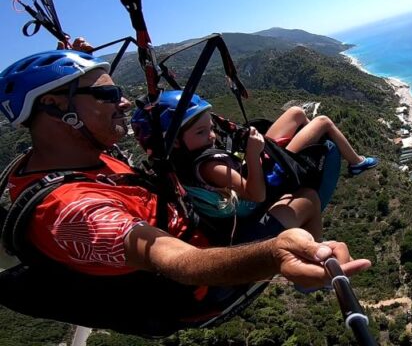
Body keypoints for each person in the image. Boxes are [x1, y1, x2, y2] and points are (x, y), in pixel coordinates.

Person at [0, 50, 371, 336]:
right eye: (108, 94)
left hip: (201, 231)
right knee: (306, 196)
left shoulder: (75, 156)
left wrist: (78, 57)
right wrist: (274, 255)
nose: (124, 102)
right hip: (201, 290)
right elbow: (179, 262)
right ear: (55, 107)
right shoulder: (75, 211)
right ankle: (310, 276)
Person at [130, 91, 378, 235]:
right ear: (173, 143)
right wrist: (252, 154)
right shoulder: (210, 167)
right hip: (262, 180)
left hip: (253, 165)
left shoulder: (184, 157)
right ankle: (354, 162)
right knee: (322, 121)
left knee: (296, 113)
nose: (212, 135)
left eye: (210, 128)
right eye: (201, 133)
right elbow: (256, 195)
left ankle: (310, 149)